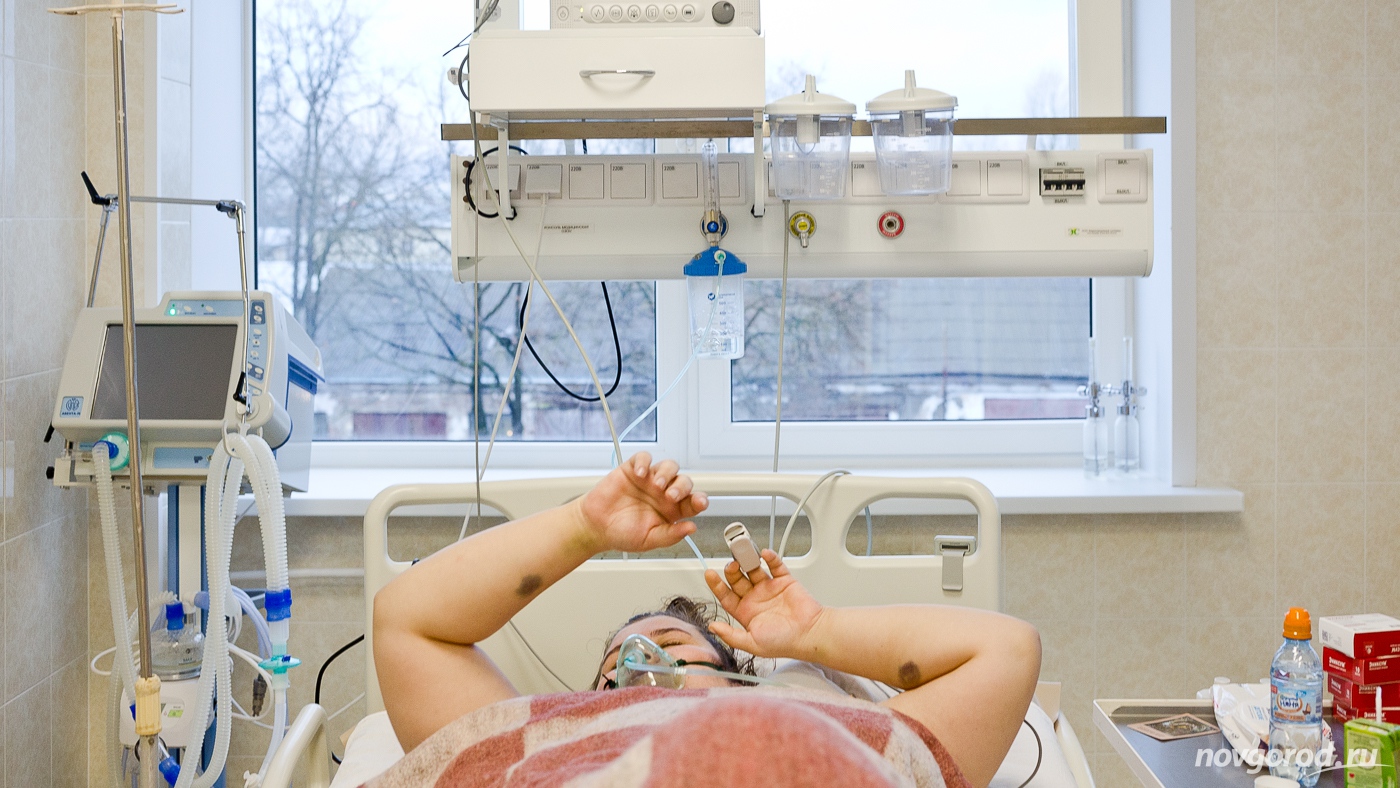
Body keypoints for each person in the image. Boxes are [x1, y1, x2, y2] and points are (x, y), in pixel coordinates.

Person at [374, 453, 1041, 787]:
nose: (637, 664)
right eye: (614, 666)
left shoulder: (832, 720)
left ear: (738, 675)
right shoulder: (540, 734)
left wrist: (815, 634)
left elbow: (1006, 650)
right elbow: (404, 617)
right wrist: (583, 526)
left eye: (668, 643)